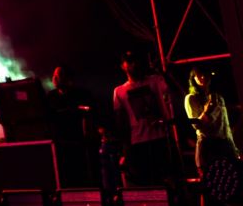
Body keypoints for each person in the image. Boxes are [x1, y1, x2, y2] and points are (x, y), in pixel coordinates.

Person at [112, 50, 174, 186]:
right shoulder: (119, 91)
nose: (134, 64)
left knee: (165, 180)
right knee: (145, 182)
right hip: (138, 142)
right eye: (129, 62)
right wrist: (125, 149)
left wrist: (163, 72)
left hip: (160, 137)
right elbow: (121, 121)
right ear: (123, 66)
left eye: (135, 61)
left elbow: (172, 91)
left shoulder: (155, 80)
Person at [47, 65, 99, 187]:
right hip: (59, 144)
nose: (54, 79)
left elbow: (89, 113)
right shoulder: (50, 96)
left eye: (58, 75)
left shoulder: (81, 94)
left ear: (67, 78)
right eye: (54, 76)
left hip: (80, 143)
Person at [185, 68, 238, 172]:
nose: (203, 77)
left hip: (225, 145)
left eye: (205, 73)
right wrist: (208, 110)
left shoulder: (218, 97)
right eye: (199, 74)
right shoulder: (191, 98)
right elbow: (196, 125)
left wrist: (233, 148)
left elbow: (225, 125)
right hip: (208, 146)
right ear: (193, 78)